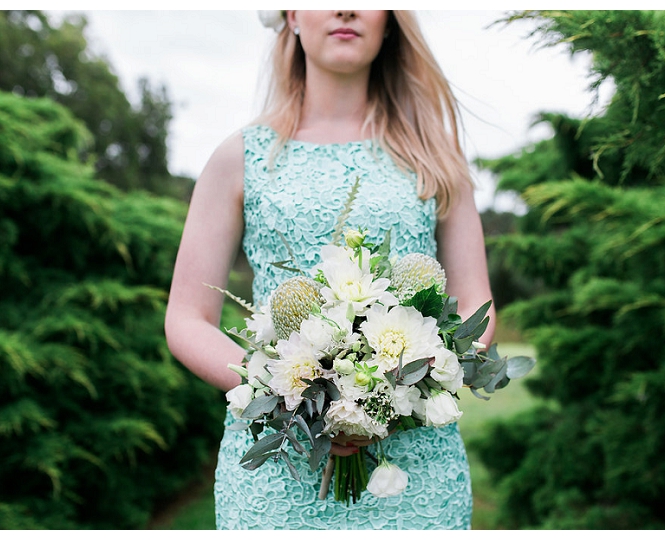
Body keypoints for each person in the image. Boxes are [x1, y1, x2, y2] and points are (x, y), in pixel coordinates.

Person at [164, 10, 496, 530]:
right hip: (278, 473)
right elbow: (186, 317)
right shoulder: (241, 157)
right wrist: (282, 390)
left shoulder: (436, 158)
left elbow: (476, 300)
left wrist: (400, 388)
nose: (345, 8)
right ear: (291, 15)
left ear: (390, 20)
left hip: (416, 472)